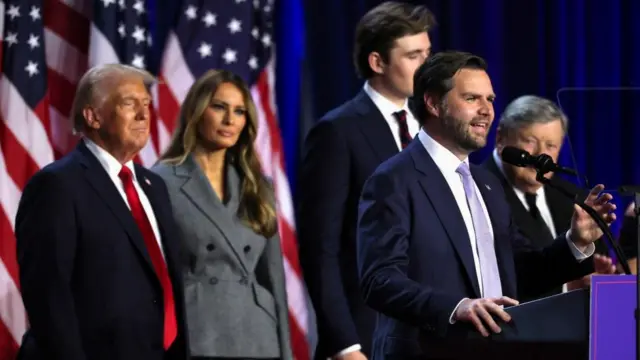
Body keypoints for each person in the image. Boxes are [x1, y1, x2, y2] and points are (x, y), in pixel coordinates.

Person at [356, 51, 617, 360]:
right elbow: (380, 280)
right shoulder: (394, 179)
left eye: (490, 99)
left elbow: (520, 271)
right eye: (471, 99)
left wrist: (575, 242)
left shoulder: (487, 186)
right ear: (432, 103)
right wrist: (456, 307)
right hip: (428, 351)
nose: (486, 111)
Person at [15, 64, 189, 360]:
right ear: (93, 116)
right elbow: (48, 296)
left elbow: (164, 283)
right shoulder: (57, 185)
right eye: (128, 104)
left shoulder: (154, 186)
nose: (143, 115)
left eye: (146, 104)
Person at [296, 2, 436, 359]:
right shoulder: (337, 132)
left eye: (428, 54)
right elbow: (320, 249)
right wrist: (344, 344)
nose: (427, 66)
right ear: (377, 62)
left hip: (433, 332)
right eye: (414, 56)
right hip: (367, 335)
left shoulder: (433, 129)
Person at [152, 69, 293, 360]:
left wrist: (286, 353)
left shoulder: (258, 186)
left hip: (258, 336)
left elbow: (273, 280)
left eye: (240, 111)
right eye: (219, 107)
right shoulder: (161, 181)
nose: (230, 120)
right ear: (197, 110)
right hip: (199, 334)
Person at [483, 95, 615, 300]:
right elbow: (507, 276)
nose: (541, 156)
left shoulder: (574, 197)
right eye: (530, 142)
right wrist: (568, 287)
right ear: (500, 139)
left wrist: (601, 277)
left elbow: (599, 264)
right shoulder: (478, 190)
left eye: (551, 146)